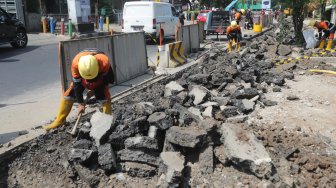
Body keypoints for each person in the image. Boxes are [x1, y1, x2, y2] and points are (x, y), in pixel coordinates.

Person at [43, 48, 114, 131]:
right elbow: (77, 85)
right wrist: (80, 103)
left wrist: (94, 89)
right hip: (84, 74)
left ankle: (106, 122)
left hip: (100, 76)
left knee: (103, 95)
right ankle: (60, 120)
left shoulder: (104, 62)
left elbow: (108, 80)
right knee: (69, 94)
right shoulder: (76, 64)